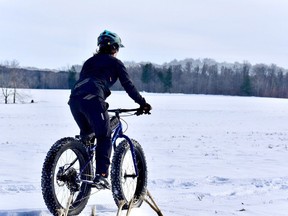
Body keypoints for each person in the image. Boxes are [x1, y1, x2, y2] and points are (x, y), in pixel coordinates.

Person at [68, 30, 152, 189]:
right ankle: (101, 175)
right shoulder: (116, 63)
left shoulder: (89, 62)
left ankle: (78, 177)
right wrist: (142, 103)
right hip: (93, 99)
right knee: (104, 136)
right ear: (114, 47)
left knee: (88, 135)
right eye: (118, 48)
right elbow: (128, 86)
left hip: (75, 101)